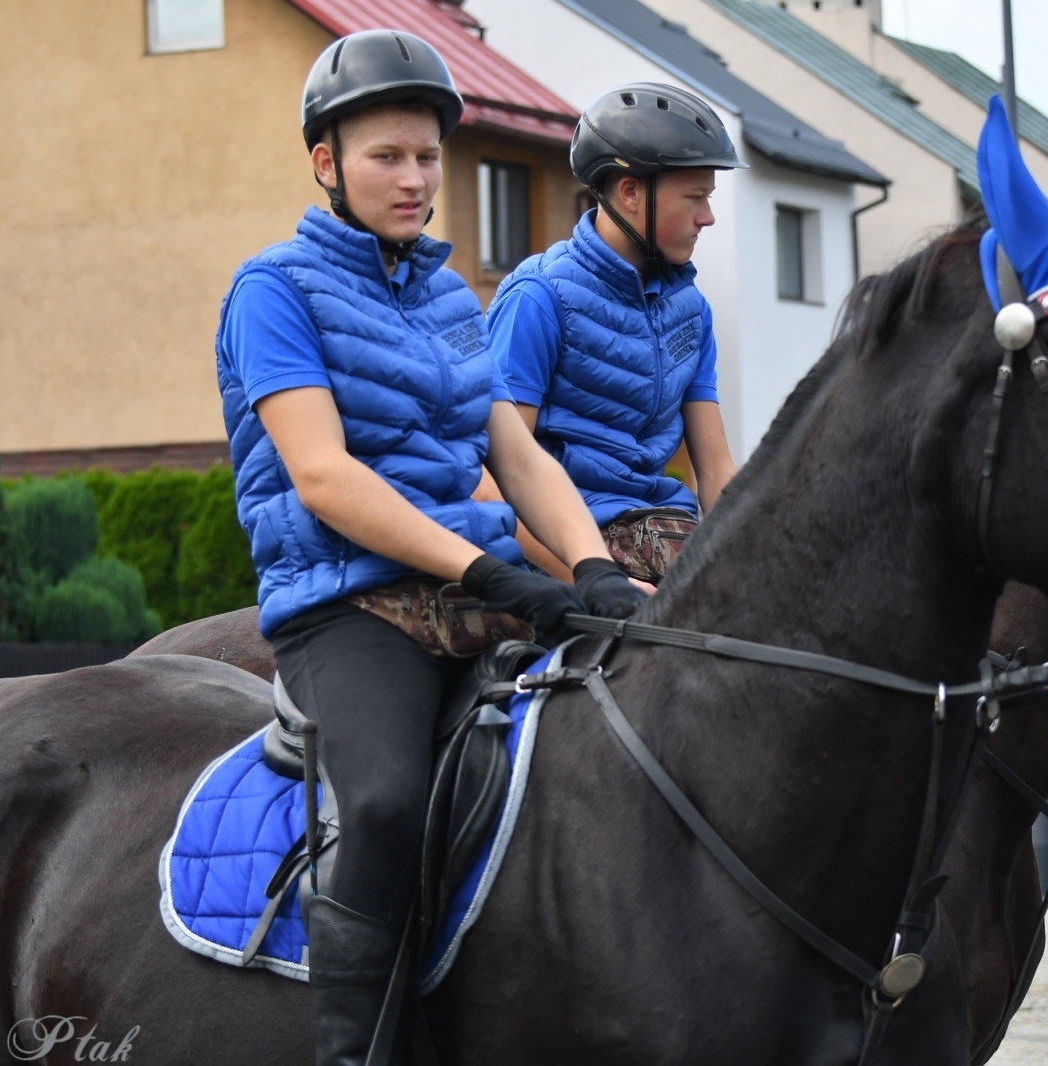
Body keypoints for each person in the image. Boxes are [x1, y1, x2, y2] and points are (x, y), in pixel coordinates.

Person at [214, 30, 645, 1066]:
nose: (414, 179)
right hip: (346, 603)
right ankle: (358, 1049)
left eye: (426, 157)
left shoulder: (455, 299)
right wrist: (494, 572)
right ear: (327, 163)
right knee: (387, 797)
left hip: (476, 586)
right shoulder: (270, 289)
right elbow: (321, 473)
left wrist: (589, 568)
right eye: (387, 157)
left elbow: (519, 453)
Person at [481, 82, 741, 584]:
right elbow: (500, 478)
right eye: (695, 197)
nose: (707, 217)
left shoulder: (692, 311)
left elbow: (715, 470)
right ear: (630, 191)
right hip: (569, 535)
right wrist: (594, 583)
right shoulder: (538, 299)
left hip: (665, 526)